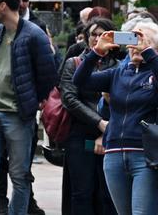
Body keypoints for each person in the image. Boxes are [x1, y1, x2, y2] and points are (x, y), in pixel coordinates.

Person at [0, 0, 56, 215]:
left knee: (20, 175)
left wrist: (34, 101)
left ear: (3, 5)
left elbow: (48, 74)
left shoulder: (34, 34)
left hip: (19, 115)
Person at [73, 22, 158, 215]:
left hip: (145, 156)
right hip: (114, 155)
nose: (135, 45)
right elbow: (80, 81)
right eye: (133, 39)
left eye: (143, 40)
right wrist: (96, 52)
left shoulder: (154, 71)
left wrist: (148, 53)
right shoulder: (118, 72)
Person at [59, 17, 117, 215]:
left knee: (107, 195)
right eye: (93, 34)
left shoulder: (119, 66)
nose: (97, 38)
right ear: (86, 37)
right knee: (81, 193)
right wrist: (99, 123)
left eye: (103, 34)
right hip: (80, 135)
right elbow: (69, 99)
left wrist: (105, 131)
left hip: (111, 136)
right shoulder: (74, 63)